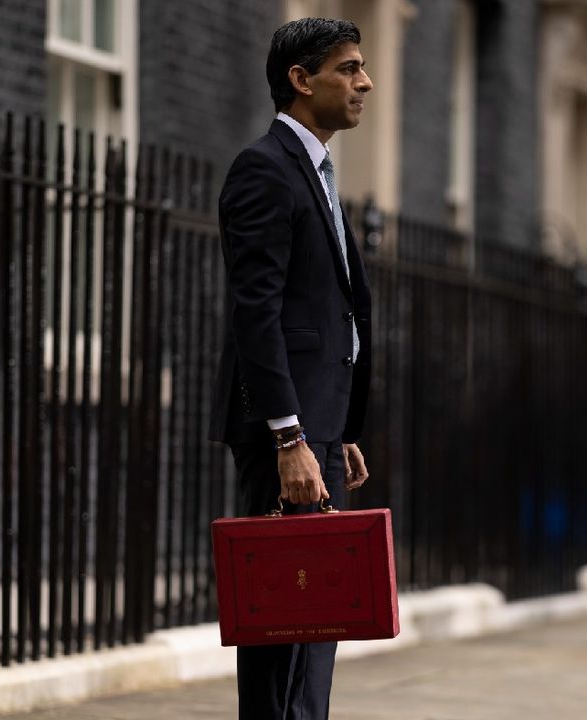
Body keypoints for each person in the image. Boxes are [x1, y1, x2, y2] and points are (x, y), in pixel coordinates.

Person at [208, 17, 374, 720]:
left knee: (315, 635)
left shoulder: (318, 172)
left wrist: (337, 428)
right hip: (290, 438)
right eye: (348, 69)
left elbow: (323, 312)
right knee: (284, 635)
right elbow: (259, 313)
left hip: (319, 430)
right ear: (301, 81)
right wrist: (288, 435)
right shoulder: (265, 169)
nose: (364, 82)